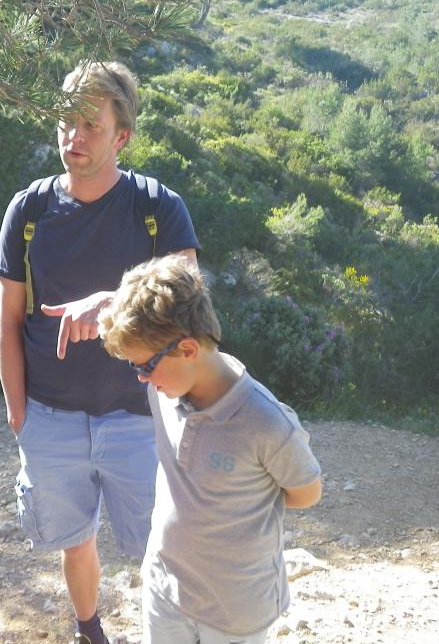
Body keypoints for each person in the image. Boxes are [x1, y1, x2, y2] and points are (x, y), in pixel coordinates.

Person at [0, 61, 200, 644]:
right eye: (65, 121)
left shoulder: (157, 207)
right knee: (74, 538)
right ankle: (91, 631)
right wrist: (19, 413)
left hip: (141, 416)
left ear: (122, 136)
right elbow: (8, 320)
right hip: (51, 416)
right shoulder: (29, 211)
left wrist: (111, 301)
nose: (73, 137)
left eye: (89, 123)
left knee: (161, 546)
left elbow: (188, 293)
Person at [98, 256, 323, 644]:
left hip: (235, 610)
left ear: (187, 349)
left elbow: (306, 492)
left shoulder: (267, 422)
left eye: (146, 366)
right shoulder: (167, 388)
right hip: (164, 588)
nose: (142, 378)